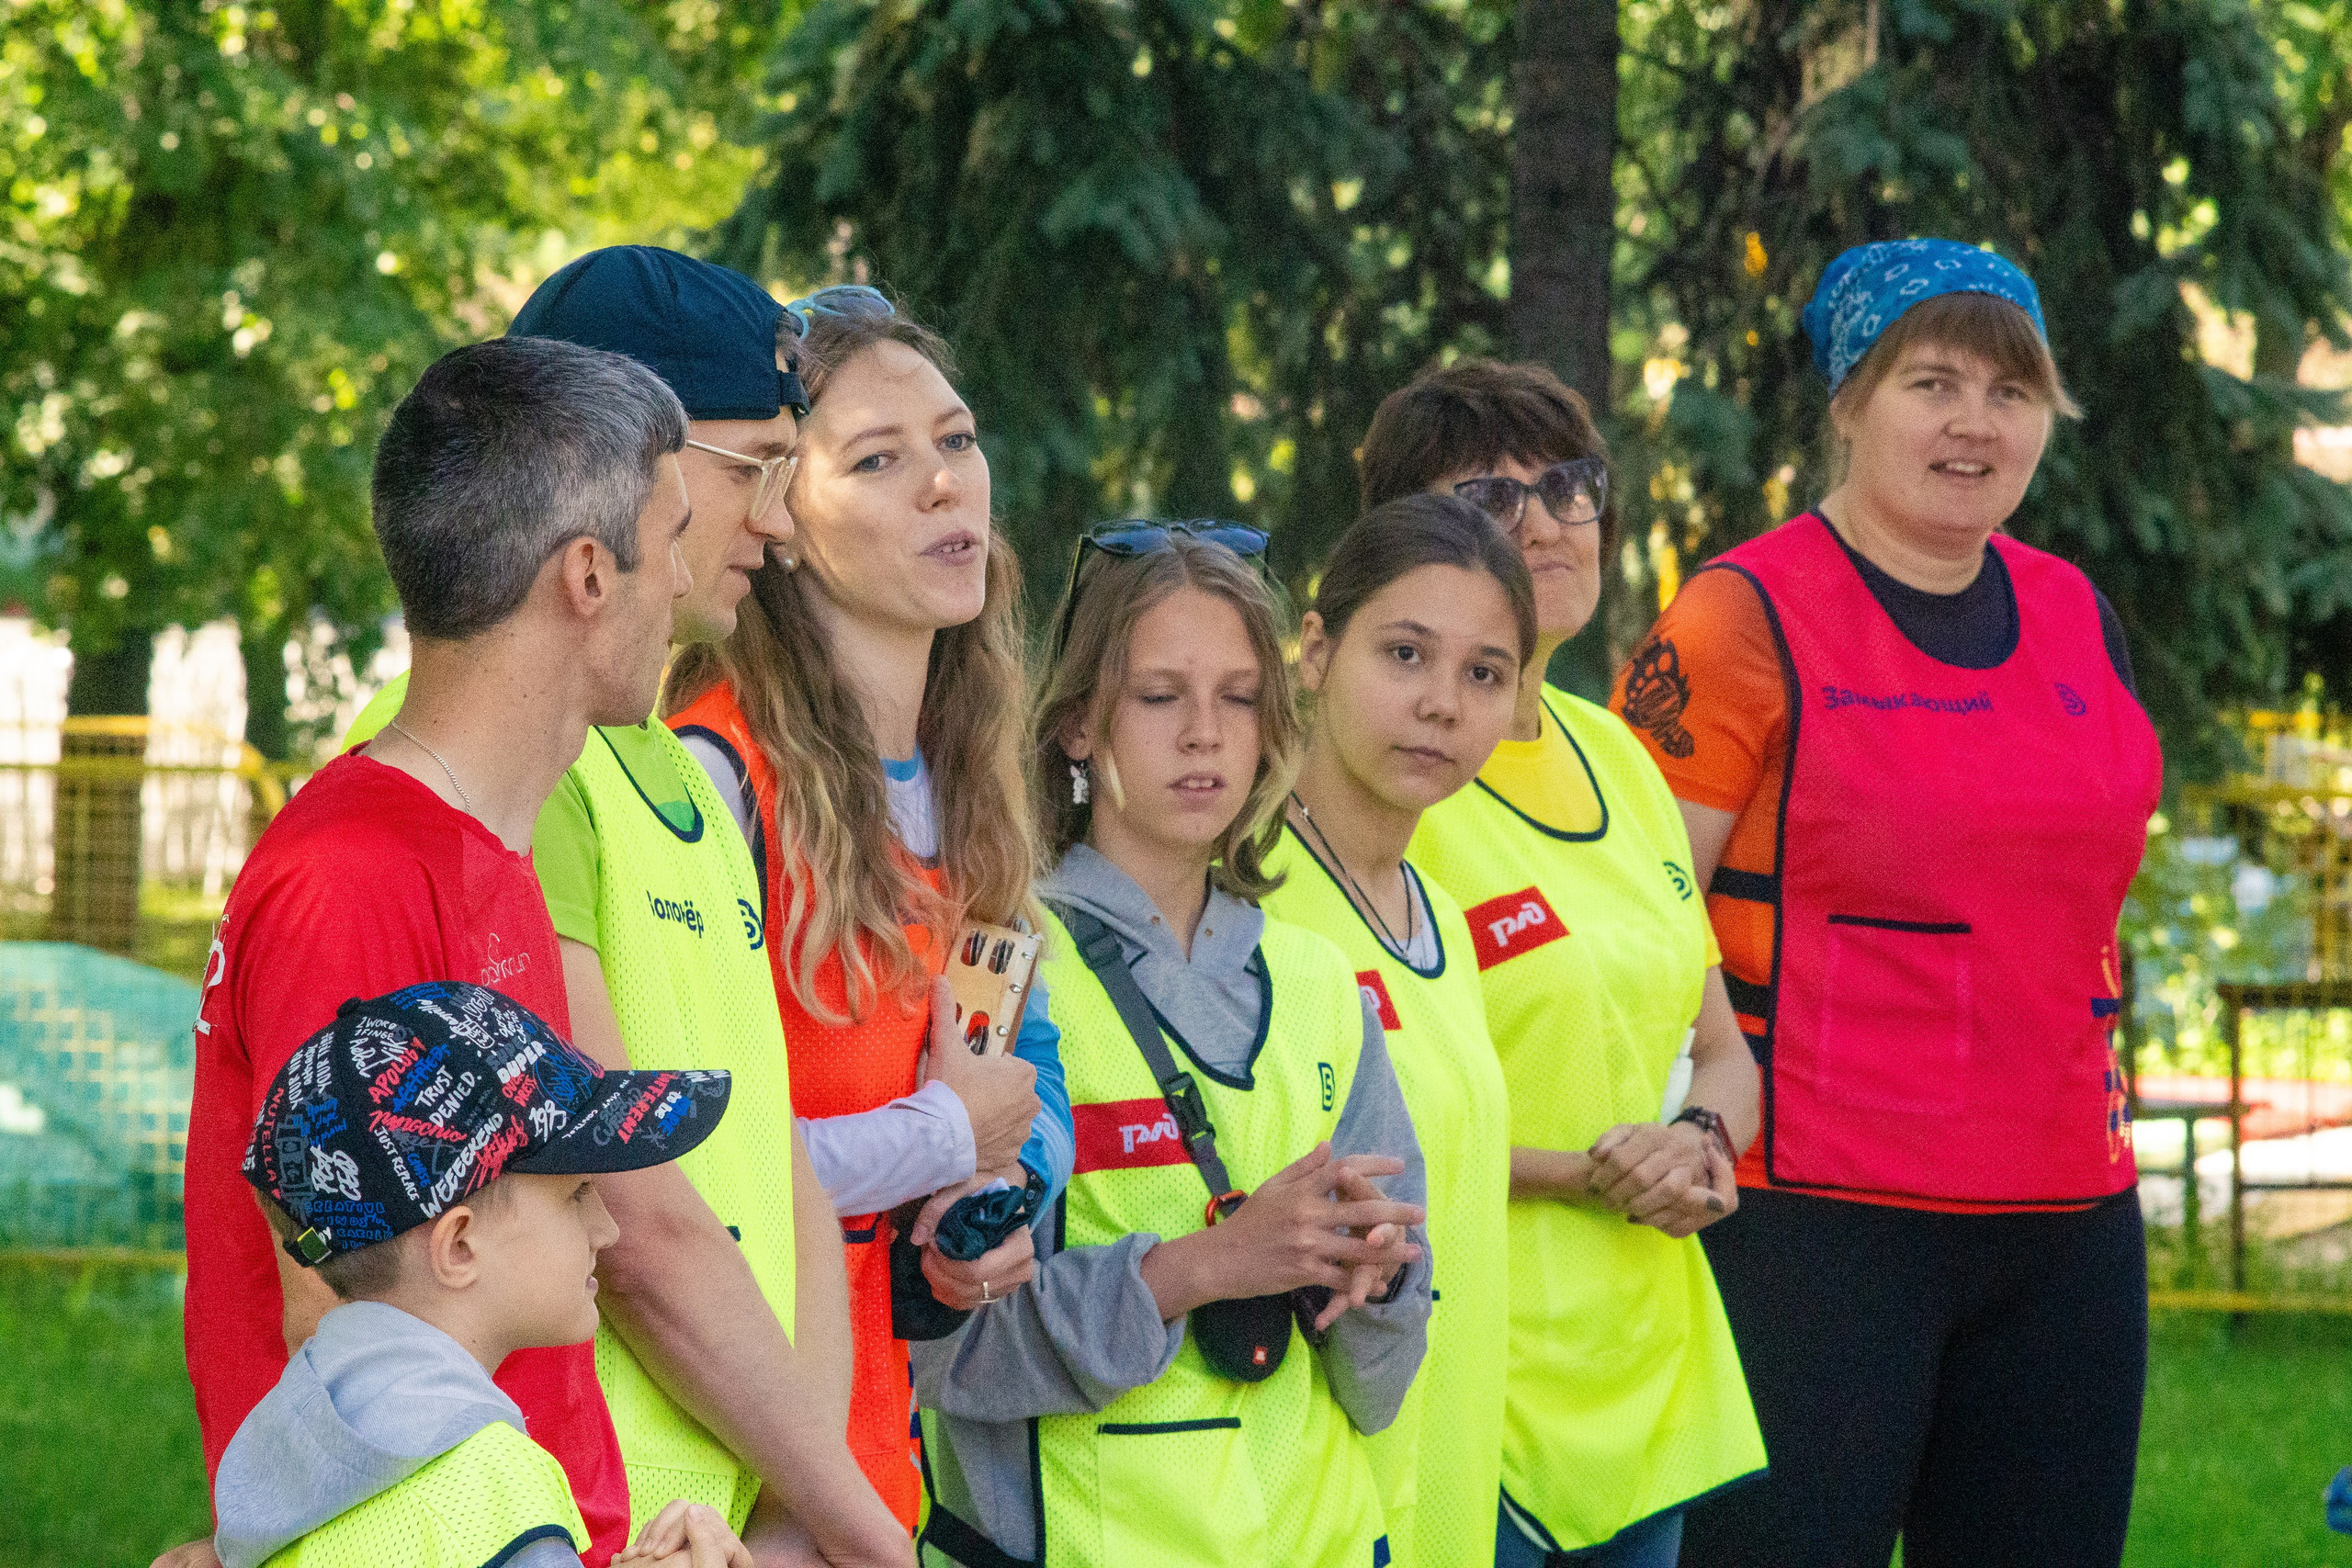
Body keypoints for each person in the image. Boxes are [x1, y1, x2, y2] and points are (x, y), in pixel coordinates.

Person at [343, 248, 910, 1562]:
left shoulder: (688, 777)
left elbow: (774, 1171)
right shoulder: (490, 777)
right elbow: (636, 1216)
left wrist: (797, 1512)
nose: (780, 521)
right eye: (758, 464)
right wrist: (857, 1528)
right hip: (580, 1521)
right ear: (621, 468)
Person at [1631, 241, 2160, 1568]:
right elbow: (1640, 898)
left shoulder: (2076, 611)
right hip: (1817, 1221)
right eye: (1932, 382)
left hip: (2065, 1219)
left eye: (2010, 389)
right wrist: (1709, 1070)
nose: (1974, 423)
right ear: (1850, 401)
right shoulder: (1738, 614)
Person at [183, 336, 694, 1568]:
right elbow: (342, 1307)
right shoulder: (356, 878)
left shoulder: (483, 846)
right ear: (588, 574)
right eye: (672, 537)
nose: (686, 582)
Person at [909, 525, 1430, 1568]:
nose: (1205, 734)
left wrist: (1373, 1278)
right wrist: (1203, 1268)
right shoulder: (994, 967)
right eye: (1159, 696)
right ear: (1076, 728)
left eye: (1239, 697)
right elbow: (948, 1352)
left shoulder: (1324, 982)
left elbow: (1380, 1385)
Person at [662, 289, 1072, 1532]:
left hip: (874, 1449)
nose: (944, 484)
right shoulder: (715, 776)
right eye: (879, 460)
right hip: (728, 1474)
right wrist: (944, 1136)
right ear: (783, 510)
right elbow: (688, 1175)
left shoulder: (973, 785)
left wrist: (992, 1207)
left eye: (955, 440)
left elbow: (1024, 1083)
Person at [1359, 359, 1766, 1568]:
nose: (1543, 521)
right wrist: (1592, 1170)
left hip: (1641, 1391)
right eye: (1489, 495)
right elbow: (1348, 1097)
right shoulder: (1375, 763)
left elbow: (1722, 1047)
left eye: (1567, 486)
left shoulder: (1619, 754)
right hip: (1468, 1377)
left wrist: (1697, 1138)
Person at [211, 982, 749, 1568]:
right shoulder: (495, 1494)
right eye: (577, 1195)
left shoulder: (279, 1471)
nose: (607, 1230)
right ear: (460, 1244)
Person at [1259, 493, 1530, 1568]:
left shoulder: (1442, 922)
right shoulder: (1249, 900)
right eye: (1405, 654)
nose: (1441, 705)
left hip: (1450, 1483)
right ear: (1316, 651)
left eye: (1482, 674)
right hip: (1307, 1501)